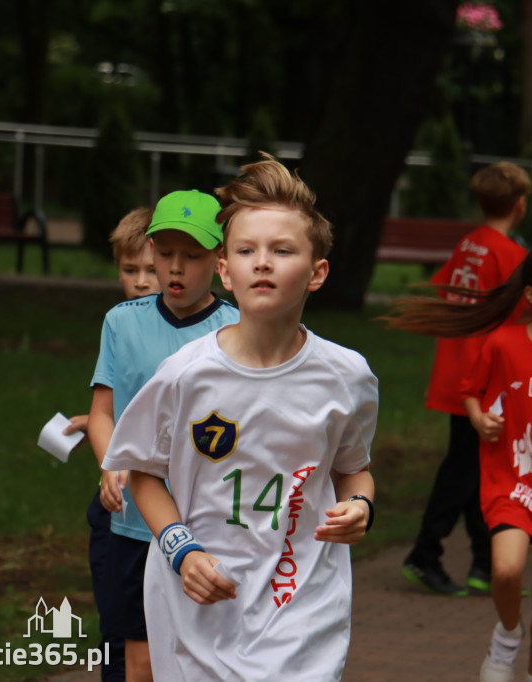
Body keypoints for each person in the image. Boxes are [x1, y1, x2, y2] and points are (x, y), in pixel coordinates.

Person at [101, 155, 378, 681]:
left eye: (283, 250)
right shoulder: (184, 375)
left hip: (303, 602)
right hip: (200, 601)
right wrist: (182, 552)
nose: (263, 262)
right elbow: (142, 472)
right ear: (226, 270)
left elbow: (352, 468)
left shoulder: (348, 376)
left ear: (317, 272)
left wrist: (361, 504)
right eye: (247, 250)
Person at [384, 242, 532, 682]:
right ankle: (508, 635)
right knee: (506, 569)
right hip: (512, 480)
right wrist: (480, 421)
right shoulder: (502, 344)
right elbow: (471, 390)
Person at [87, 189, 240, 682]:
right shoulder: (121, 322)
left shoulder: (238, 328)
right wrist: (112, 462)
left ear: (220, 260)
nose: (175, 268)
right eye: (165, 253)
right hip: (135, 526)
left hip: (212, 525)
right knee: (142, 662)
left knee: (209, 657)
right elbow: (102, 413)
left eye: (192, 256)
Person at [402, 161, 532, 597]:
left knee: (478, 468)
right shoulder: (510, 255)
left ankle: (484, 562)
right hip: (481, 383)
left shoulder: (471, 244)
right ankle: (425, 554)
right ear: (520, 205)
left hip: (457, 370)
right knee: (464, 470)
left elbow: (446, 288)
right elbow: (523, 319)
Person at [61, 206, 160, 682]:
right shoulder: (122, 325)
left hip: (176, 510)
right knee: (119, 633)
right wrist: (103, 436)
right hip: (120, 509)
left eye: (151, 269)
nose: (141, 281)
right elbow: (111, 403)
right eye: (129, 270)